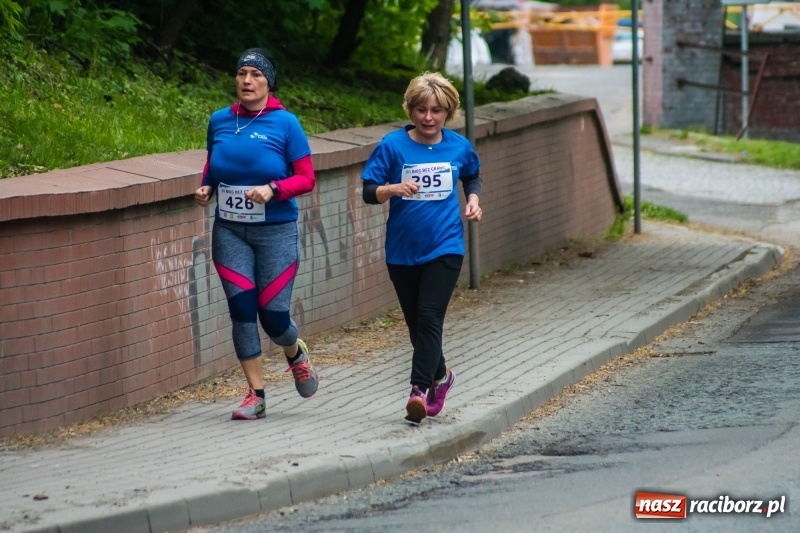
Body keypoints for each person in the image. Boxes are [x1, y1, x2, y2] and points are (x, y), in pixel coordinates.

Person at [194, 48, 318, 420]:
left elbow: (307, 178)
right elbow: (213, 163)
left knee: (274, 318)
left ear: (268, 83)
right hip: (229, 231)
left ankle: (295, 352)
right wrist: (206, 188)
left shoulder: (286, 124)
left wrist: (274, 189)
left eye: (256, 75)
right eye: (242, 73)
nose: (247, 80)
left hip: (275, 232)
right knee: (242, 311)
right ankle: (256, 395)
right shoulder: (219, 121)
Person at [361, 71, 483, 425]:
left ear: (449, 112)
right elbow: (369, 190)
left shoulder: (458, 146)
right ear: (410, 110)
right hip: (402, 250)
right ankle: (442, 376)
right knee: (417, 326)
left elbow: (472, 175)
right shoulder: (392, 145)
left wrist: (473, 200)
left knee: (430, 317)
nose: (428, 118)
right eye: (421, 110)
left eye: (436, 111)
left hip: (445, 247)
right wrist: (391, 189)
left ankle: (418, 391)